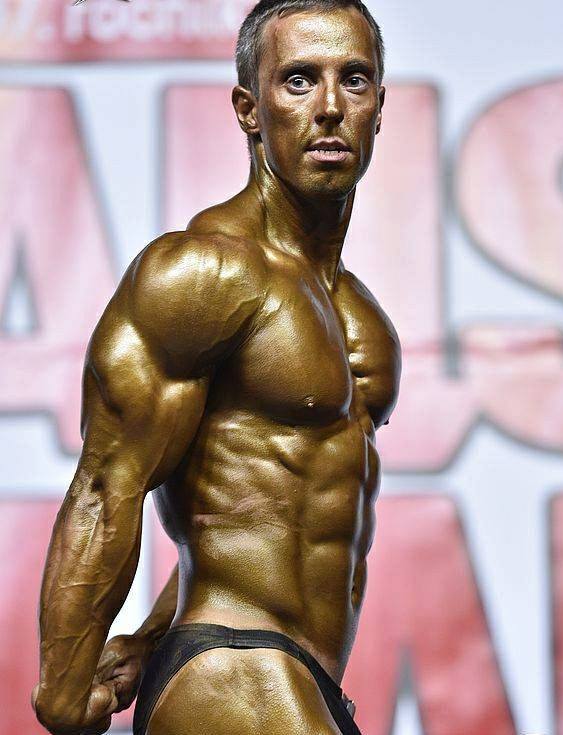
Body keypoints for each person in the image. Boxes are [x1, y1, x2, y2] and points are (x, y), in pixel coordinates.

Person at [33, 1, 400, 733]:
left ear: (379, 107)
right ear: (248, 109)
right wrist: (63, 690)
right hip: (236, 671)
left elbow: (249, 514)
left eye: (353, 79)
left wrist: (146, 638)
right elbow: (107, 485)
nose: (330, 106)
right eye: (299, 80)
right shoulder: (204, 271)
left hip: (302, 678)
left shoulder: (361, 315)